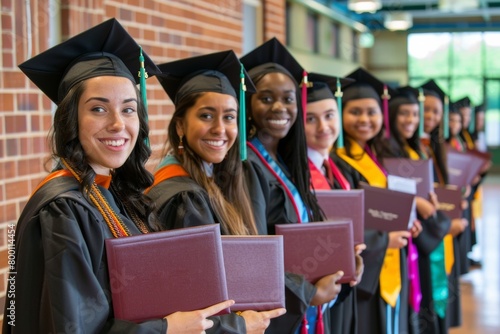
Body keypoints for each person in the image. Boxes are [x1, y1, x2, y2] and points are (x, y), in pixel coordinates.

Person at [3, 18, 236, 334]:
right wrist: (167, 328)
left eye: (128, 109)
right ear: (71, 119)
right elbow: (75, 327)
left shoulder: (116, 192)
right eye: (98, 109)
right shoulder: (64, 208)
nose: (117, 124)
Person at [146, 50, 286, 333]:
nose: (220, 129)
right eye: (206, 115)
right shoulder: (182, 196)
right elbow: (191, 301)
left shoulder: (222, 180)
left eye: (230, 117)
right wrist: (241, 325)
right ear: (181, 126)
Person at [240, 38, 344, 334]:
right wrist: (308, 292)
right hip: (278, 307)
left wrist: (344, 262)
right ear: (248, 102)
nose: (279, 107)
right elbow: (254, 250)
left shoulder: (285, 160)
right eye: (266, 97)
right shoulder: (248, 165)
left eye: (288, 98)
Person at [331, 68, 421, 334]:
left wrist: (408, 221)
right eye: (355, 112)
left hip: (390, 258)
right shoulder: (337, 163)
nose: (365, 119)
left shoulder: (377, 155)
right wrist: (383, 239)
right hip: (367, 265)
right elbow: (341, 222)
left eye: (372, 112)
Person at [379, 86, 453, 334]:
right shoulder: (384, 151)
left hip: (420, 234)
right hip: (406, 236)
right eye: (404, 114)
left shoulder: (414, 150)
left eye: (414, 114)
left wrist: (429, 198)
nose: (411, 120)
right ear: (391, 116)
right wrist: (415, 202)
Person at [304, 72, 365, 334]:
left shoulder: (337, 167)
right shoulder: (297, 175)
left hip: (340, 286)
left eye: (329, 115)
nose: (323, 127)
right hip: (317, 291)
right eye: (310, 119)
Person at [421, 79, 467, 329]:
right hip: (429, 233)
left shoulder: (436, 148)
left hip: (441, 228)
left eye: (436, 111)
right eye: (425, 109)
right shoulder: (409, 149)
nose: (430, 116)